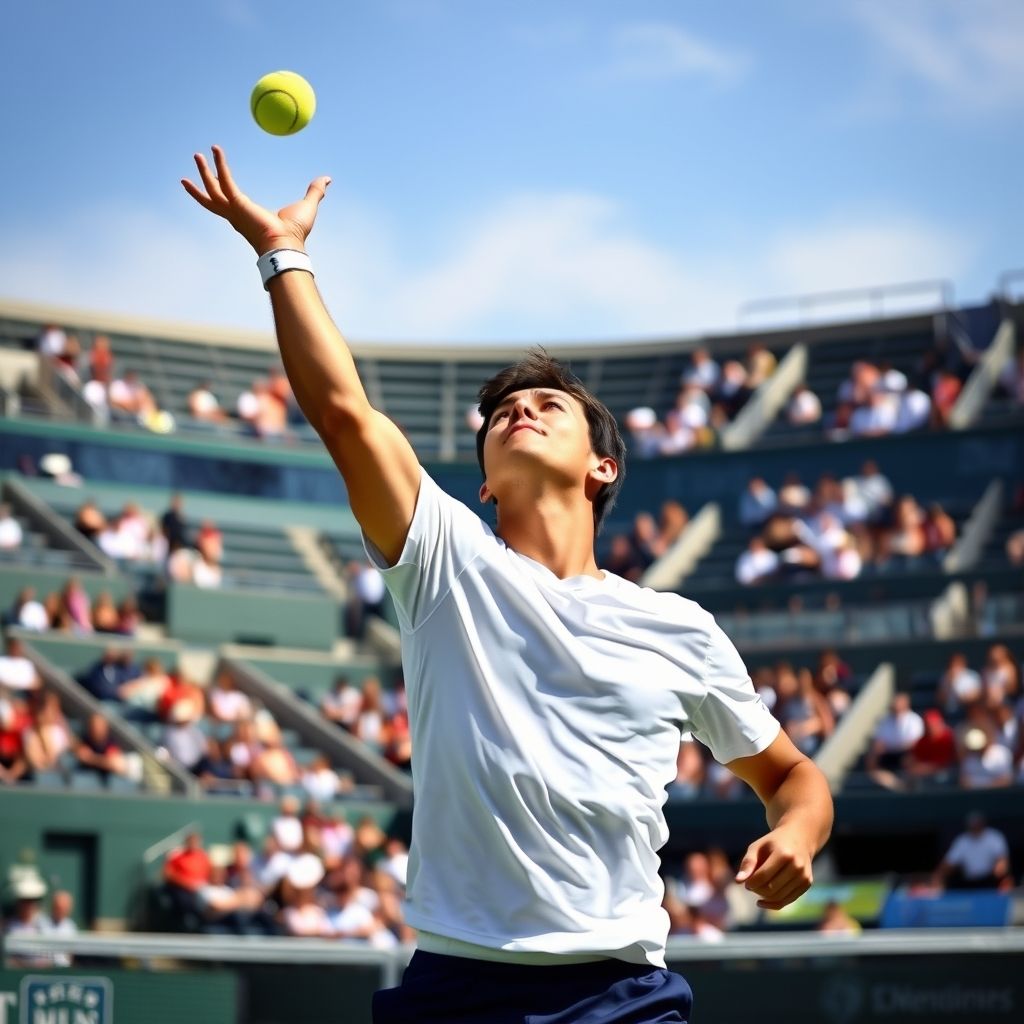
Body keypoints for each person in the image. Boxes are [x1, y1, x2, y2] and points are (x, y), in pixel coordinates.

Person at [184, 146, 833, 1024]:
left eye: (546, 406)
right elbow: (343, 412)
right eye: (500, 416)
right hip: (456, 993)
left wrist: (795, 834)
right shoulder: (445, 560)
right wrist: (282, 254)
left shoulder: (680, 627)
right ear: (483, 482)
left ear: (603, 466)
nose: (518, 412)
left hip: (625, 998)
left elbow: (793, 777)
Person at [932, 813, 1011, 891]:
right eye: (973, 825)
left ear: (983, 824)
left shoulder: (994, 837)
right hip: (969, 882)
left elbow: (1002, 862)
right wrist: (938, 877)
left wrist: (1001, 870)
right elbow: (949, 863)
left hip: (989, 881)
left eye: (978, 824)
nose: (975, 827)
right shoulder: (962, 840)